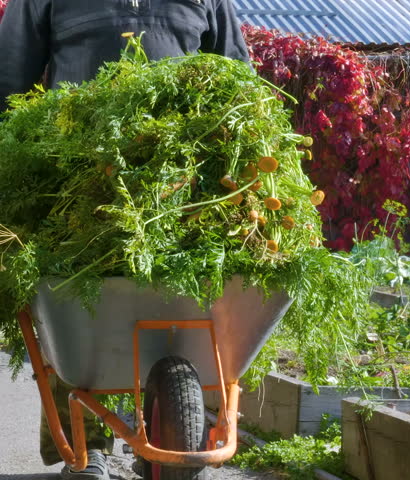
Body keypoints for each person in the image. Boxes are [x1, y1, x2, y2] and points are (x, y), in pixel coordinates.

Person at [0, 1, 250, 478]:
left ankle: (169, 417)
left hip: (183, 187)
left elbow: (236, 75)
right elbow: (9, 79)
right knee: (74, 297)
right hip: (73, 181)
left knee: (181, 305)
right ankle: (87, 446)